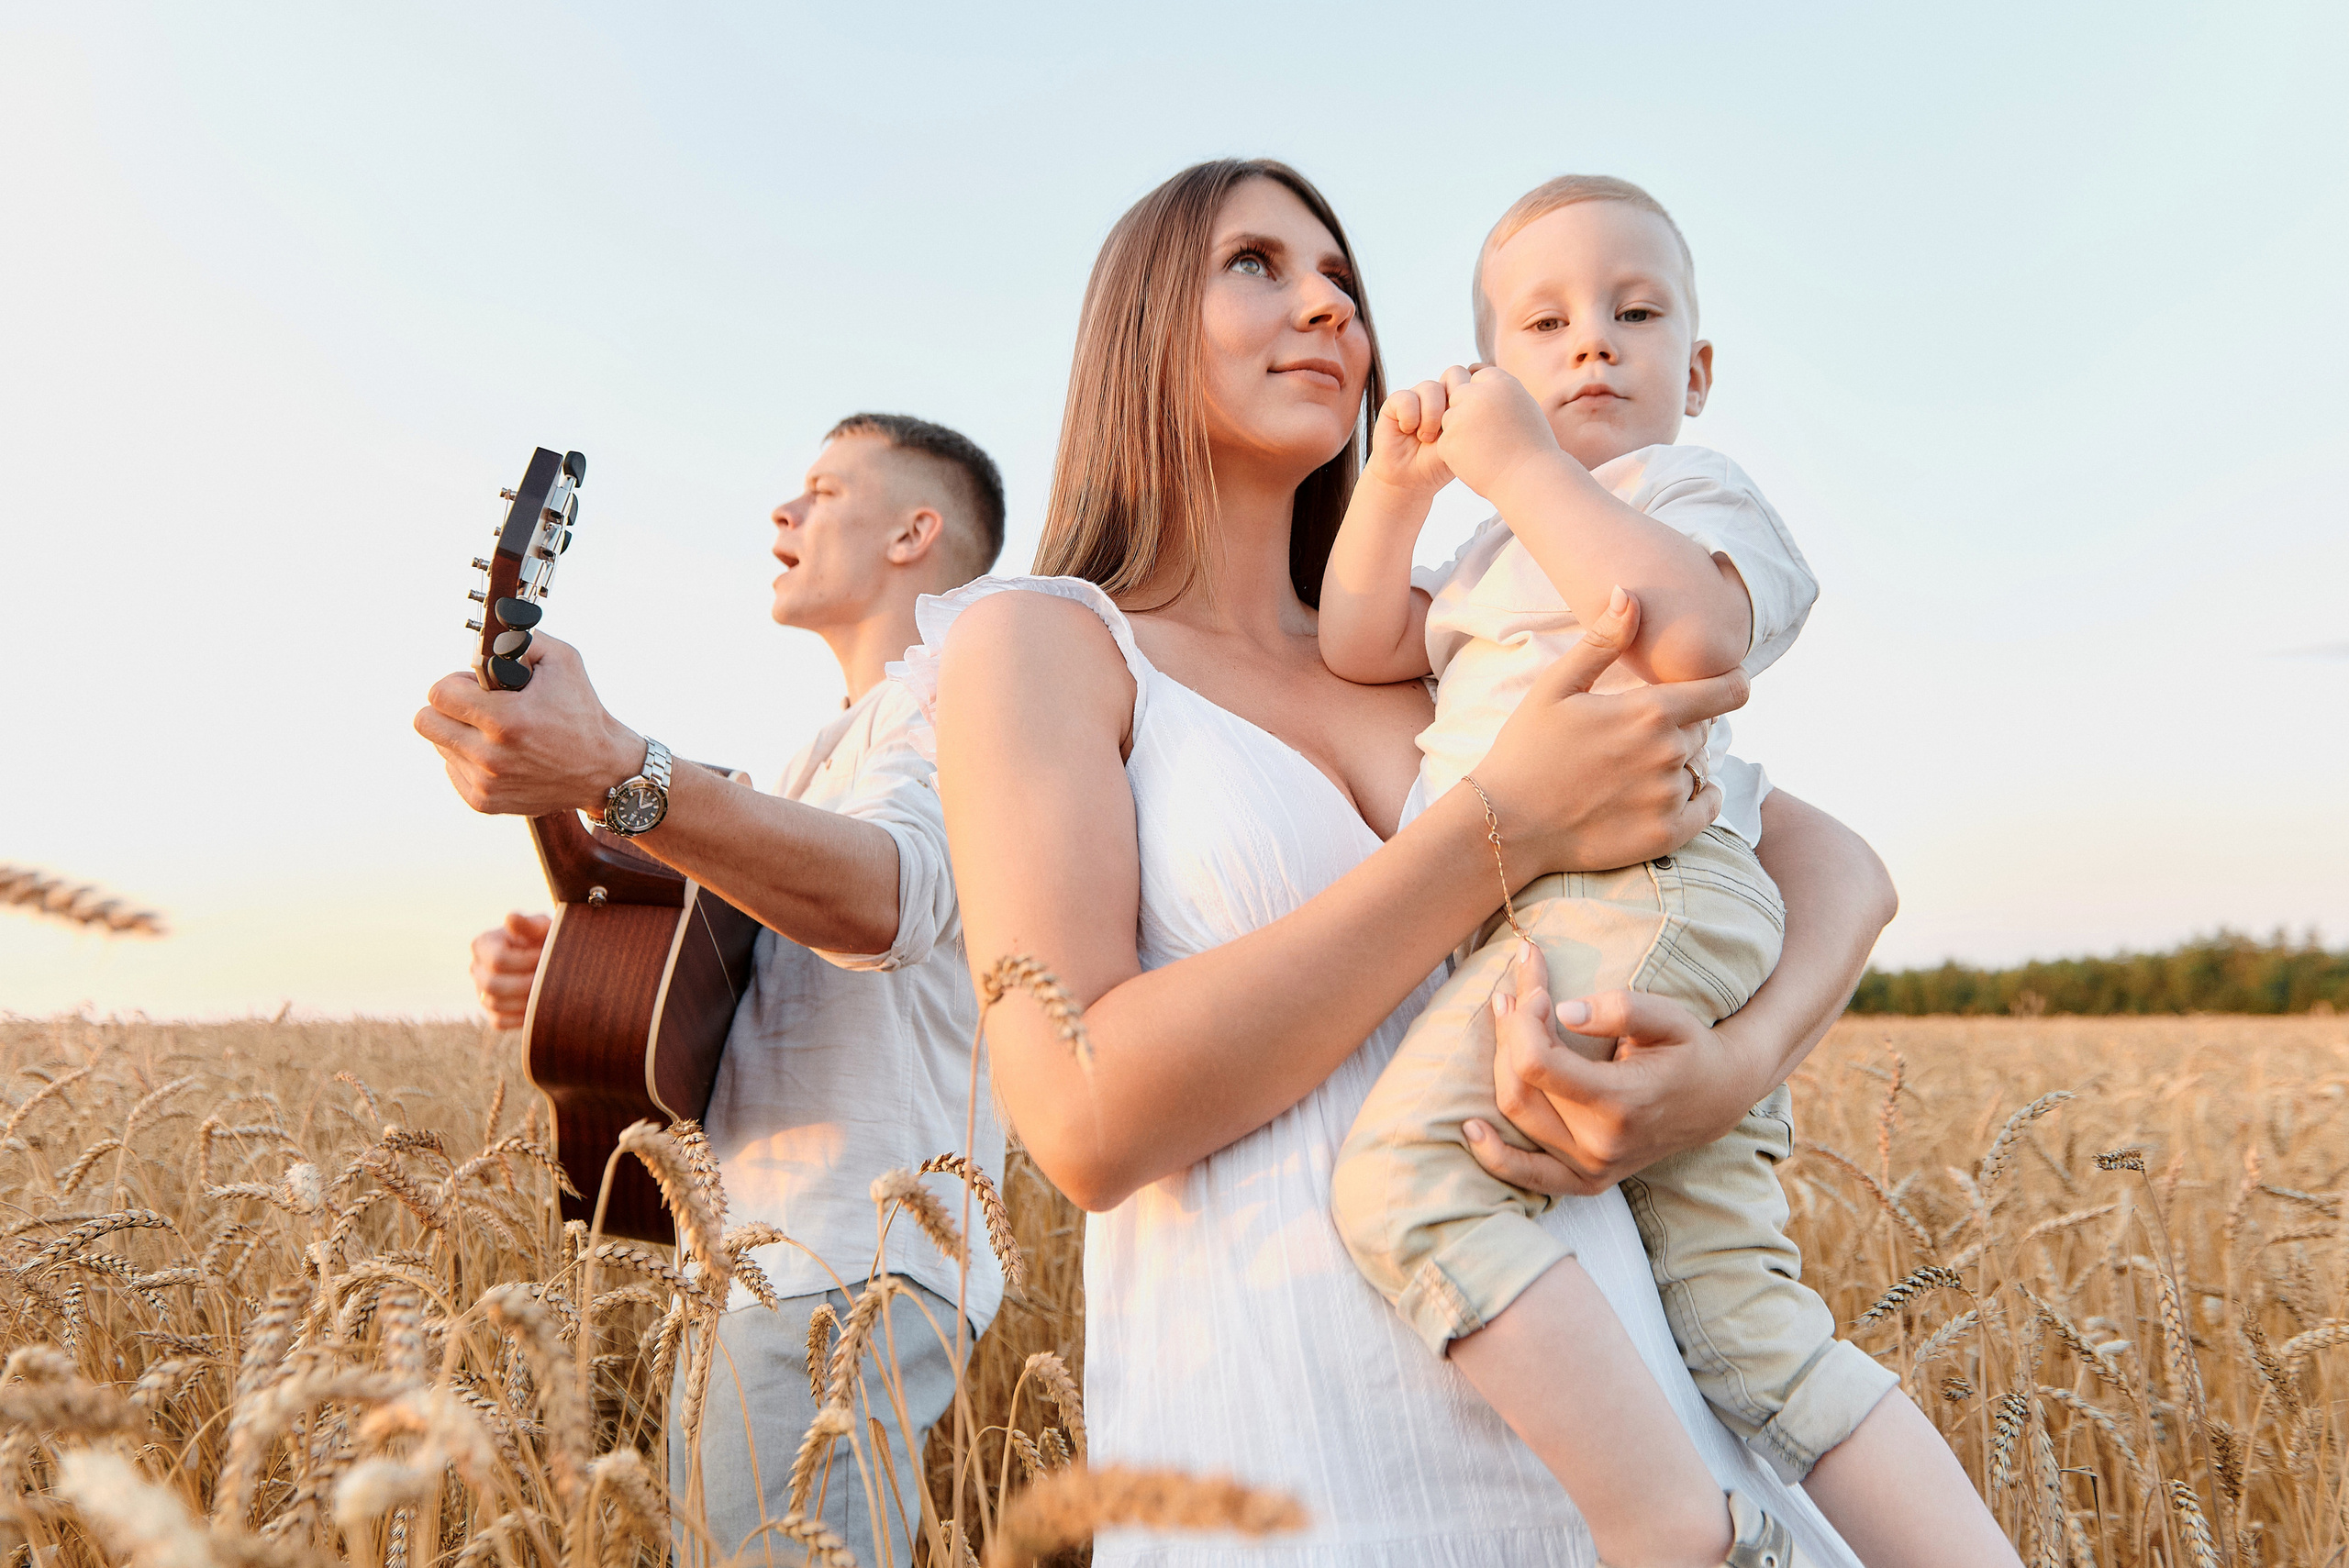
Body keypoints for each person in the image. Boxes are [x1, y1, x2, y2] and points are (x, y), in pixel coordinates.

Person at [902, 159, 2018, 1567]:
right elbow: (1082, 1121)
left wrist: (1727, 1075)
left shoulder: (1463, 630)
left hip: (1638, 1447)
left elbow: (1835, 864)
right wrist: (1502, 825)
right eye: (1255, 264)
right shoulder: (1047, 643)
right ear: (1137, 328)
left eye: (1344, 282)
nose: (1325, 304)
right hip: (1311, 1462)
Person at [1317, 173, 1994, 1568]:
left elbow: (1695, 643)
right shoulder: (1496, 545)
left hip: (1637, 898)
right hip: (1576, 917)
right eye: (1545, 325)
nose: (1591, 348)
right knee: (1752, 1330)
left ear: (1694, 369)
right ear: (1490, 372)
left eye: (1633, 315)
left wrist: (1522, 467)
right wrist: (1397, 488)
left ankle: (1670, 1533)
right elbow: (1359, 640)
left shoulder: (1683, 494)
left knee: (1406, 1184)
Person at [419, 413, 1008, 1568]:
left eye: (823, 490)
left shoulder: (953, 699)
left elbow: (888, 898)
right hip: (760, 1264)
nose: (782, 514)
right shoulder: (814, 761)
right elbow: (730, 997)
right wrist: (577, 984)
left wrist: (613, 763)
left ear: (914, 530)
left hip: (845, 1257)